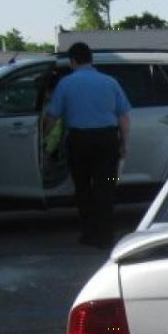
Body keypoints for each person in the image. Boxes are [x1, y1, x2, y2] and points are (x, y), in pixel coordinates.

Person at [43, 42, 131, 249]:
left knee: (82, 187)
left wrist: (44, 139)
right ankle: (106, 235)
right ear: (91, 59)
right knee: (107, 184)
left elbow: (52, 116)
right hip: (108, 142)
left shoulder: (66, 84)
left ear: (73, 61)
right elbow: (124, 117)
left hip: (79, 142)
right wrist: (124, 144)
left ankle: (89, 233)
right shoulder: (110, 82)